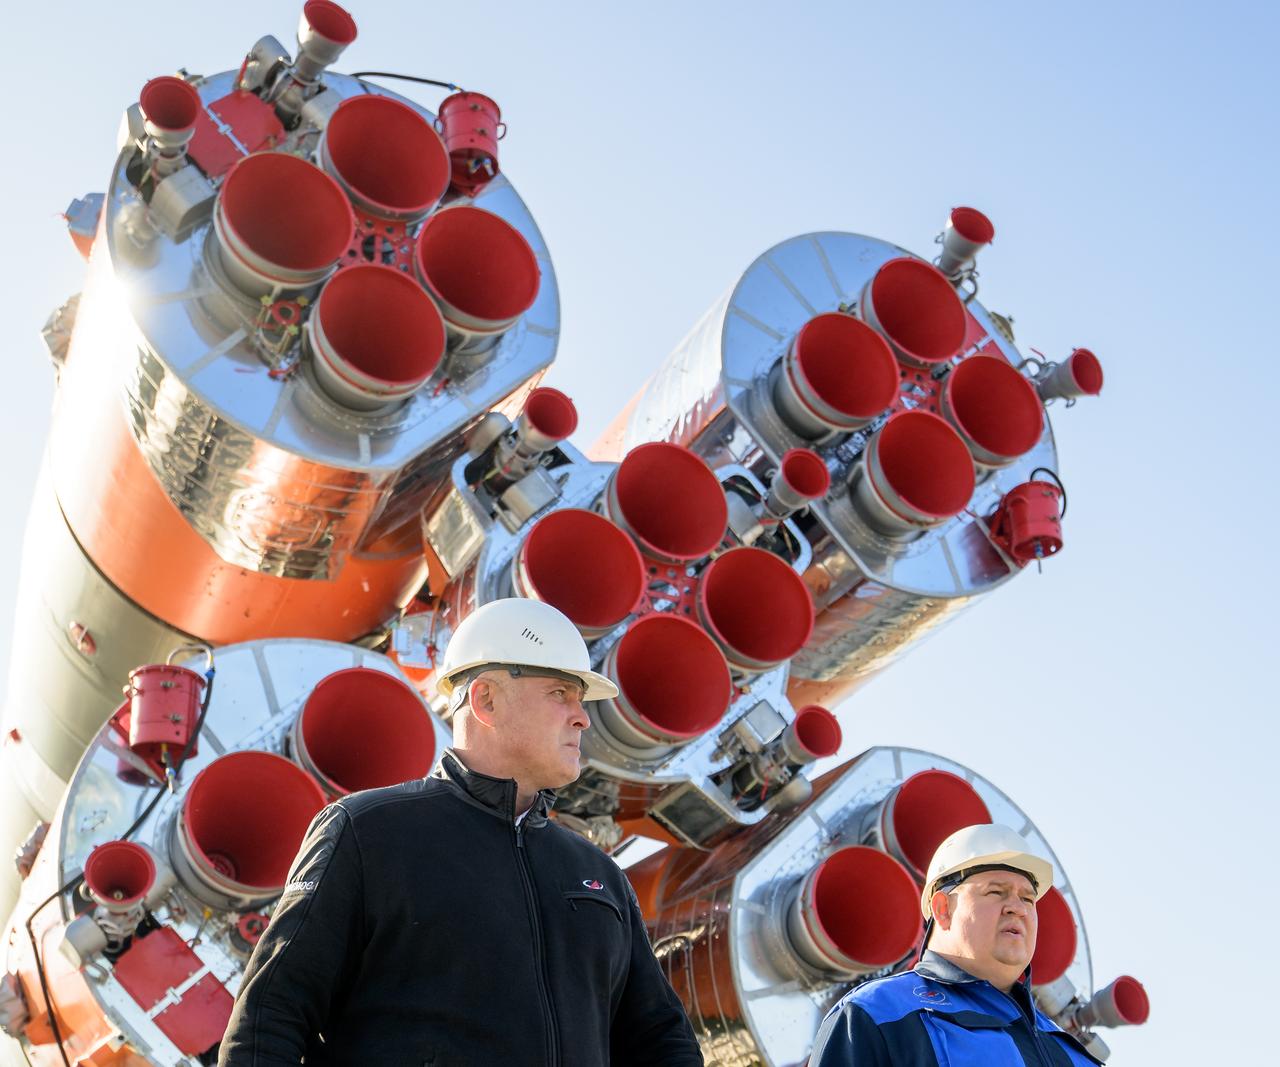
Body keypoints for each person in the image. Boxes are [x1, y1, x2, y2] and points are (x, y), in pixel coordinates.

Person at [218, 598, 703, 1066]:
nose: (582, 717)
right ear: (486, 699)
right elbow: (269, 1017)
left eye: (581, 700)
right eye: (560, 694)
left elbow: (662, 1039)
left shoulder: (599, 875)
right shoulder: (368, 833)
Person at [809, 823, 1102, 1066]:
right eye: (996, 892)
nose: (1018, 908)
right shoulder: (876, 1014)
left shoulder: (1074, 1056)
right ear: (942, 908)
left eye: (1027, 898)